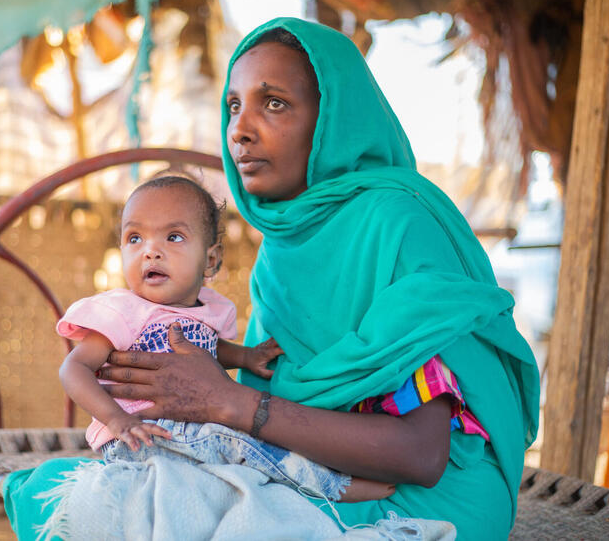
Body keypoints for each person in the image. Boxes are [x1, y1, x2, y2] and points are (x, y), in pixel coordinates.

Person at [3, 17, 539, 540]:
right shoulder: (283, 251)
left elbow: (421, 456)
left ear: (332, 120)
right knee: (63, 489)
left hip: (426, 503)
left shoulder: (398, 226)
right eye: (234, 106)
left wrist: (229, 403)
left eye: (274, 103)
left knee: (140, 509)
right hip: (312, 477)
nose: (240, 129)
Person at [56, 175, 386, 503]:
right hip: (142, 436)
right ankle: (332, 486)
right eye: (135, 238)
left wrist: (245, 357)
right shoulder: (121, 311)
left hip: (194, 434)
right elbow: (73, 369)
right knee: (246, 447)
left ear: (210, 260)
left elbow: (207, 350)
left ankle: (300, 486)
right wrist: (117, 420)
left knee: (248, 454)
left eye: (173, 237)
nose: (150, 251)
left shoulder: (210, 310)